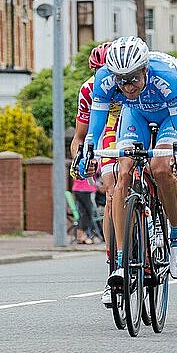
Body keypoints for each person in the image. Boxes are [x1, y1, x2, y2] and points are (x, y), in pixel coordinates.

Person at [79, 36, 177, 287]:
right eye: (121, 80)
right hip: (136, 113)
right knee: (124, 172)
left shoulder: (165, 76)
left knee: (161, 167)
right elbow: (93, 132)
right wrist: (86, 153)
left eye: (133, 78)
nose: (128, 85)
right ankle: (121, 261)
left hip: (170, 115)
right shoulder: (105, 80)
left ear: (144, 69)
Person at [70, 41, 122, 305]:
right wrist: (81, 161)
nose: (105, 78)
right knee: (113, 194)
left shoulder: (132, 82)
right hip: (107, 135)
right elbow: (80, 137)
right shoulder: (89, 90)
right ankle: (114, 266)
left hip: (137, 125)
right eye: (98, 71)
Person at [71, 178, 96, 244]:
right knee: (87, 214)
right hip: (85, 189)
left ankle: (81, 236)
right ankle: (84, 236)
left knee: (82, 213)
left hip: (77, 188)